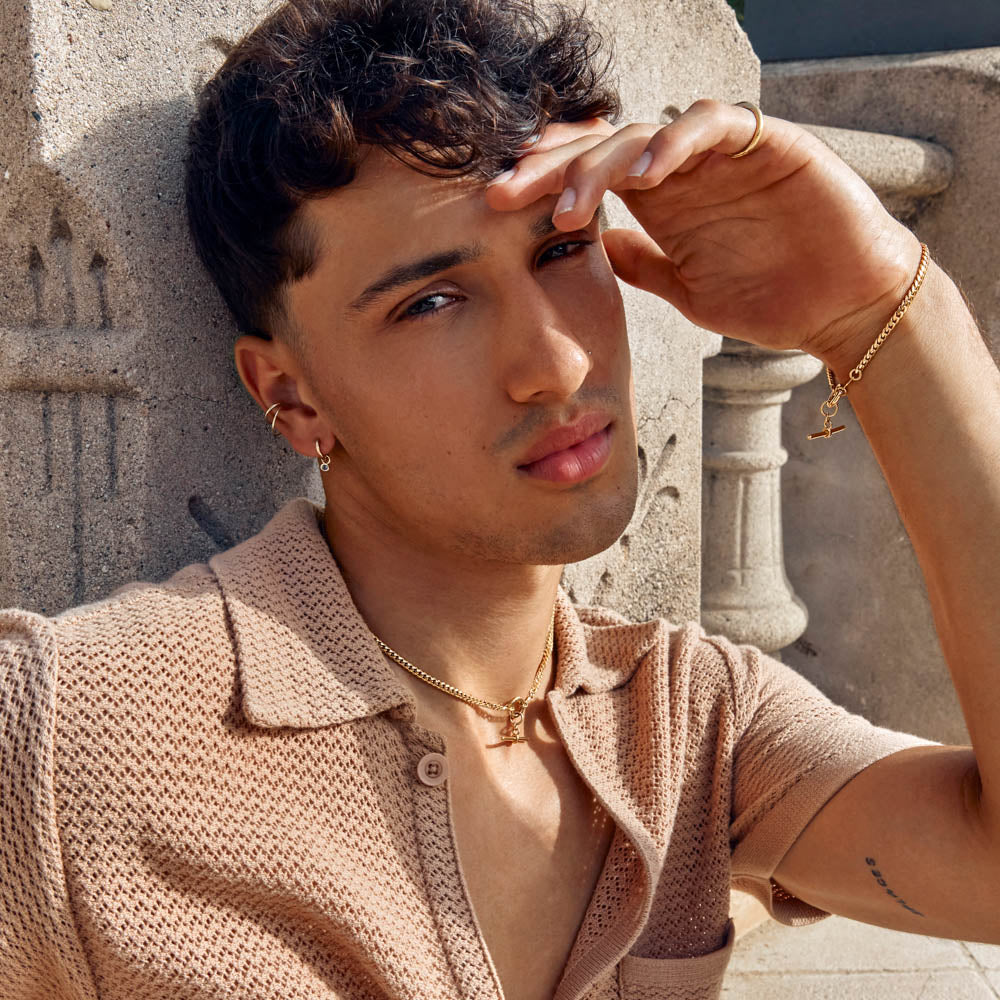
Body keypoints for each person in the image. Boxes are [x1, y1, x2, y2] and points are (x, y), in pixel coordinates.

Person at [2, 0, 999, 998]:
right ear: (293, 396)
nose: (556, 365)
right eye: (430, 302)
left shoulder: (687, 721)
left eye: (561, 250)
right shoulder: (73, 733)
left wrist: (883, 308)